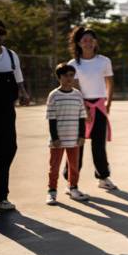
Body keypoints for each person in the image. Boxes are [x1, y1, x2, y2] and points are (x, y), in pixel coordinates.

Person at [67, 27, 117, 191]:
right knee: (77, 145)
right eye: (84, 40)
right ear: (79, 43)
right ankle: (71, 181)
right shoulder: (73, 64)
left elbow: (109, 82)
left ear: (95, 42)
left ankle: (103, 177)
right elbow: (75, 88)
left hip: (100, 106)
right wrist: (85, 110)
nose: (88, 43)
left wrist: (108, 102)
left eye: (91, 40)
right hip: (79, 107)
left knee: (99, 145)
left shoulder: (104, 61)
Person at [0, 18, 29, 212]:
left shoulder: (10, 54)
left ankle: (0, 197)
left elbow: (18, 80)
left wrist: (23, 93)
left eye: (1, 32)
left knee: (7, 149)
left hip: (7, 111)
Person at [46, 63, 88, 204]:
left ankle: (73, 188)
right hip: (58, 140)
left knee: (74, 166)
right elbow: (51, 118)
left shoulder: (77, 95)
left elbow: (82, 117)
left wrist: (82, 136)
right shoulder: (54, 95)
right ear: (59, 77)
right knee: (54, 168)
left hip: (74, 139)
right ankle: (52, 192)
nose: (69, 78)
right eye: (65, 75)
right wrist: (55, 138)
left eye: (71, 75)